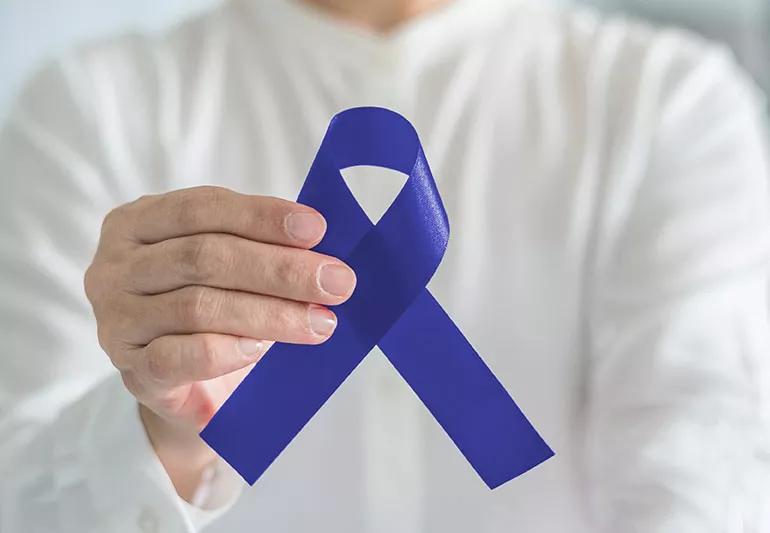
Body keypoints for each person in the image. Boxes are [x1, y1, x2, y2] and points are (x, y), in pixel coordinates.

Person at [1, 0, 768, 531]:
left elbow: (701, 458)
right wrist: (161, 431)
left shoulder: (671, 105)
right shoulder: (89, 111)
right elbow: (22, 500)